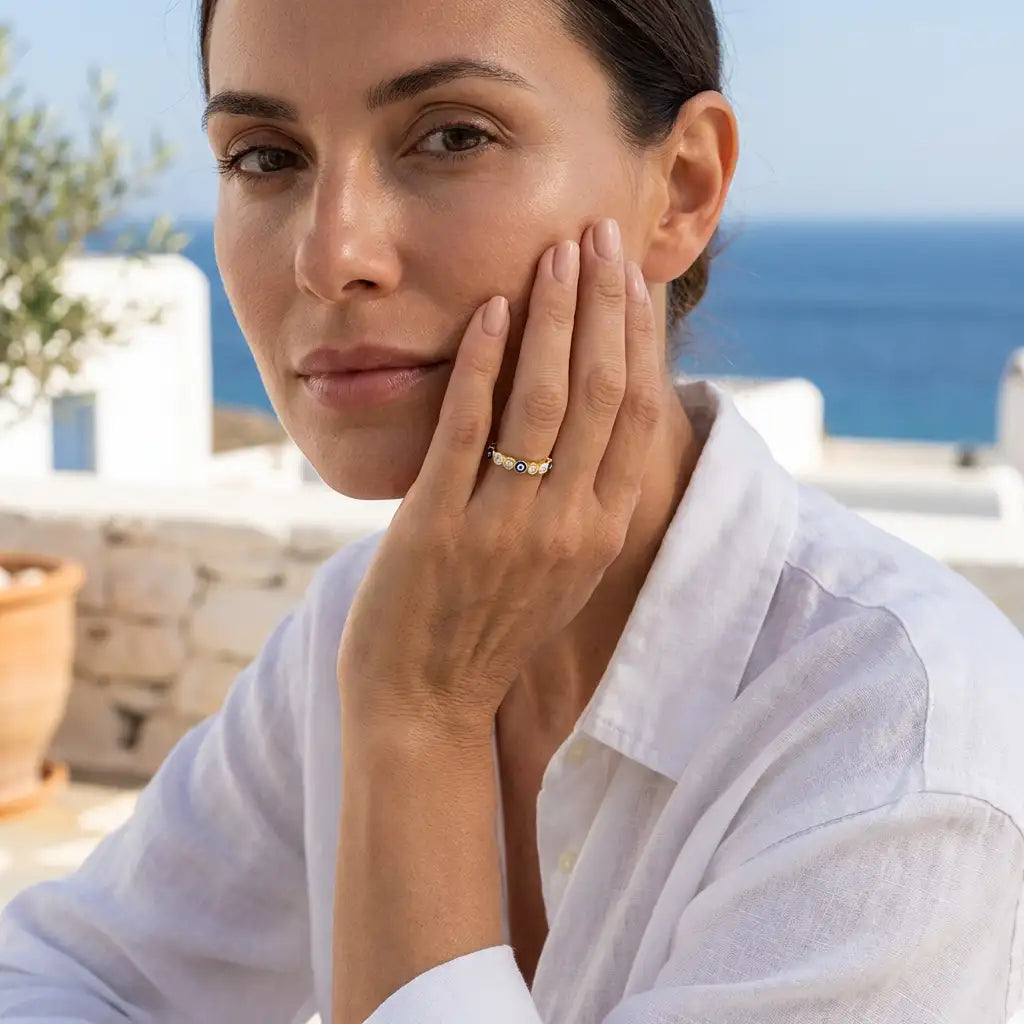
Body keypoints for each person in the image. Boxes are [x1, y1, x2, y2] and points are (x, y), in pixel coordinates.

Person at [2, 0, 1023, 1020]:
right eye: (265, 157)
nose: (331, 254)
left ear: (682, 187)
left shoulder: (904, 738)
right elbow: (63, 973)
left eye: (452, 136)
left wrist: (417, 720)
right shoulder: (362, 622)